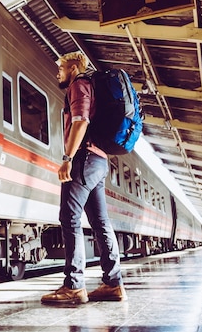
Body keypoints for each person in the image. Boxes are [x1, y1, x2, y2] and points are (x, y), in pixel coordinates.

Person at [41, 51, 126, 305]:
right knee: (100, 222)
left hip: (84, 158)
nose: (58, 72)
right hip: (99, 160)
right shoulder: (88, 86)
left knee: (69, 218)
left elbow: (80, 121)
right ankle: (113, 283)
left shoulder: (79, 85)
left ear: (74, 67)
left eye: (61, 67)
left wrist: (67, 157)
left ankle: (74, 286)